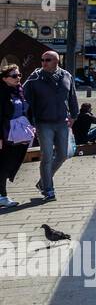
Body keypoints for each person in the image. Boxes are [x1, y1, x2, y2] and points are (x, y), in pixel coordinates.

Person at [24, 50, 78, 202]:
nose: (43, 62)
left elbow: (72, 96)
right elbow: (25, 98)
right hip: (43, 123)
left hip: (62, 122)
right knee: (47, 156)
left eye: (47, 60)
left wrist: (74, 116)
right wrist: (31, 121)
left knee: (63, 155)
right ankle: (48, 189)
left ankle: (42, 182)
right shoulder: (35, 77)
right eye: (42, 60)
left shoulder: (66, 76)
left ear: (56, 61)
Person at [0, 64, 34, 207]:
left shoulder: (19, 90)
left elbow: (27, 110)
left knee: (12, 164)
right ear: (4, 79)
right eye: (14, 76)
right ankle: (2, 196)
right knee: (3, 165)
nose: (18, 78)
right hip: (6, 134)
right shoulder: (2, 93)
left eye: (19, 75)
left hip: (20, 134)